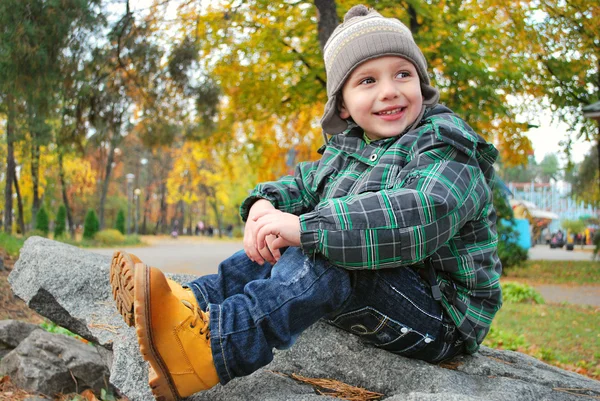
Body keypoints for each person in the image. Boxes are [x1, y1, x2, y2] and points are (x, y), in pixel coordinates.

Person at [110, 5, 502, 401]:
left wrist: (305, 228)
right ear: (344, 106)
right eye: (368, 80)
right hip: (389, 288)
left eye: (403, 73)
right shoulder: (348, 150)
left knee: (325, 243)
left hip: (441, 316)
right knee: (287, 233)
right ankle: (193, 302)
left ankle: (211, 350)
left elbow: (419, 214)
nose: (389, 90)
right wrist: (264, 206)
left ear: (422, 83)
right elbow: (300, 183)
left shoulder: (446, 144)